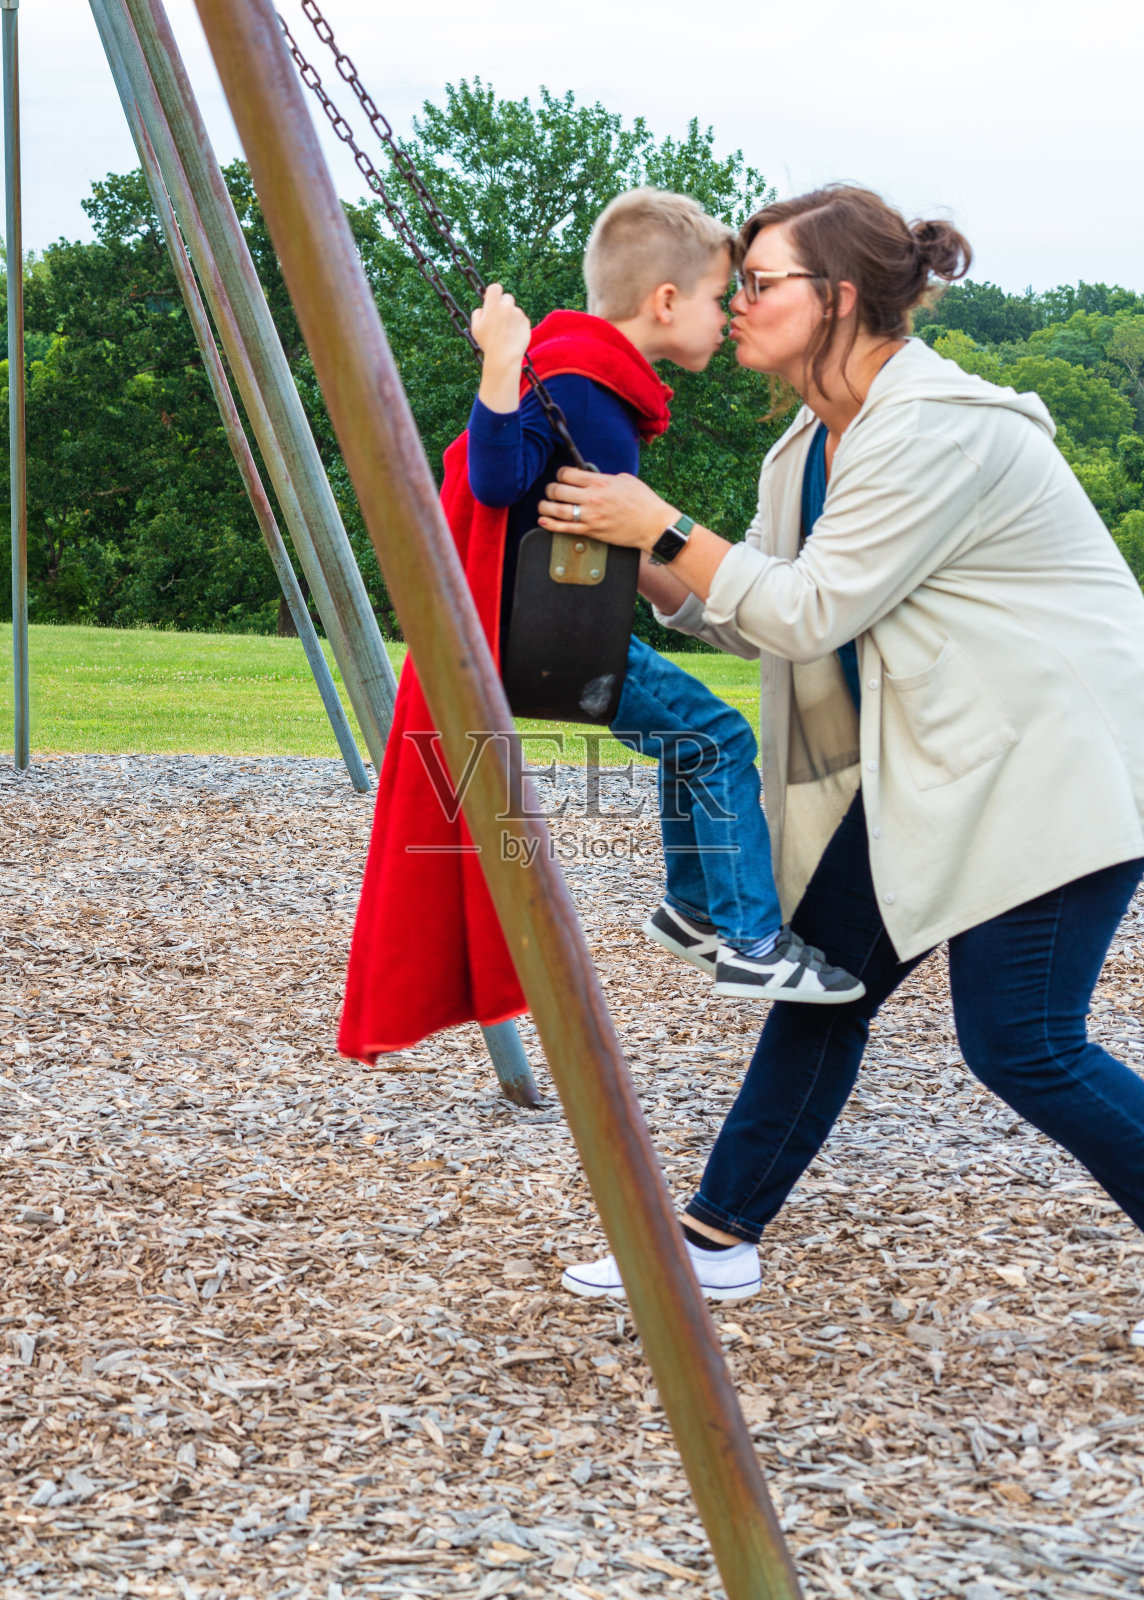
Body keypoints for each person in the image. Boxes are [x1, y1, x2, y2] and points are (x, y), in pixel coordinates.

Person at [535, 184, 1144, 1327]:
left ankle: (716, 1236)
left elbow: (810, 606)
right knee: (826, 984)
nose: (741, 302)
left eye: (761, 282)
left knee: (1022, 1042)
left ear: (842, 298)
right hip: (934, 763)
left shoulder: (935, 427)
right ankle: (712, 1241)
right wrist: (616, 537)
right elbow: (745, 608)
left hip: (1051, 763)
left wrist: (656, 521)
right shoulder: (808, 445)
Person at [340, 191, 863, 1064]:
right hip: (542, 633)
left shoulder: (586, 379)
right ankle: (750, 940)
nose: (728, 312)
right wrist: (499, 367)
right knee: (719, 736)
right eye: (717, 295)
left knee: (696, 739)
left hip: (551, 625)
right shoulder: (577, 382)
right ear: (665, 301)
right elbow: (501, 481)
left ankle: (695, 908)